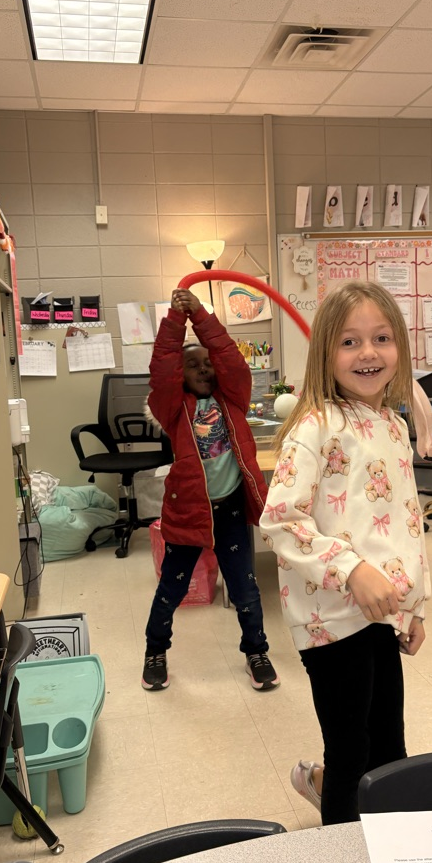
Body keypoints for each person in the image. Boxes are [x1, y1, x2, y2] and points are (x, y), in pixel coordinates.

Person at [260, 280, 428, 824]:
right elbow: (281, 521)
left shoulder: (394, 424)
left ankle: (390, 854)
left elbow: (405, 524)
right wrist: (350, 568)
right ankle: (344, 862)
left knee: (390, 748)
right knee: (352, 754)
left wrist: (414, 605)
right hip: (330, 619)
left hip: (380, 615)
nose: (369, 353)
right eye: (350, 342)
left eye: (381, 338)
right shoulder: (315, 426)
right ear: (326, 351)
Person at [142, 287, 280, 693]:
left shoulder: (232, 398)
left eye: (207, 364)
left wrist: (200, 315)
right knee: (172, 588)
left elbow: (230, 359)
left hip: (231, 511)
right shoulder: (173, 407)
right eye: (192, 365)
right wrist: (174, 319)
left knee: (246, 589)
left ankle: (256, 651)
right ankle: (155, 652)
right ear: (179, 375)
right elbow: (161, 366)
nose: (203, 369)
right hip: (188, 514)